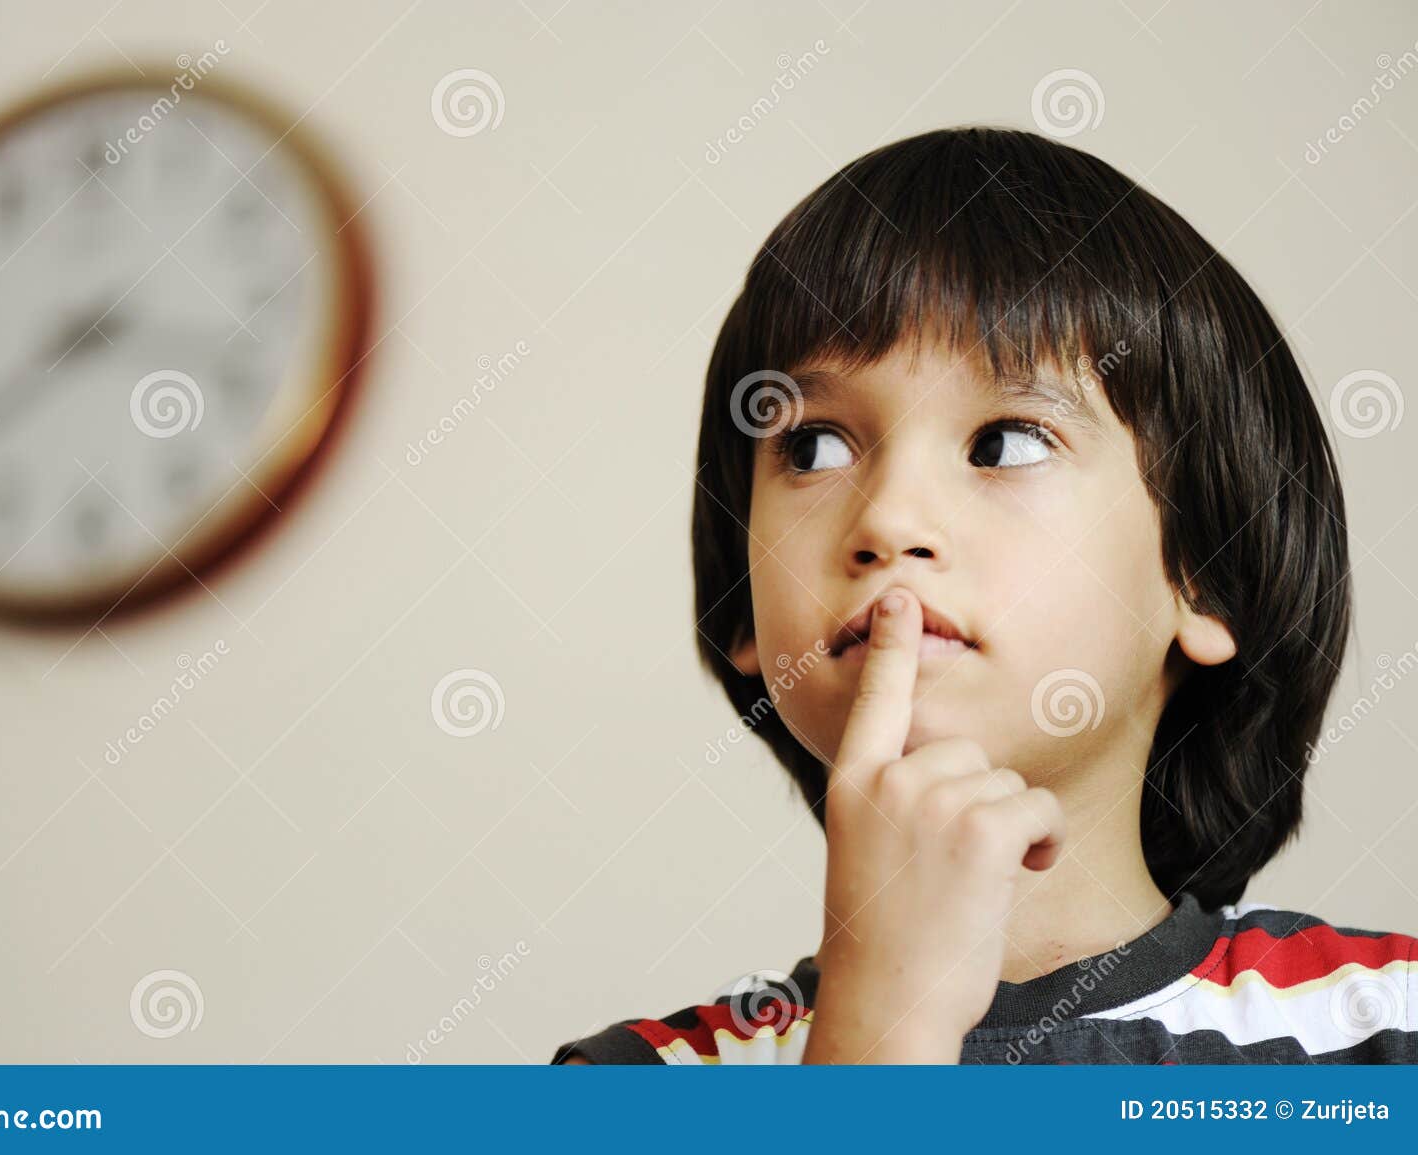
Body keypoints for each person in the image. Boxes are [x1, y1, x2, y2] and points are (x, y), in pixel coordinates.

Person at [552, 126, 1416, 1064]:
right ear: (742, 609)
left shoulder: (1384, 1034)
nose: (888, 520)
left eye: (1004, 441)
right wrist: (883, 1035)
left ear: (1202, 572)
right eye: (814, 448)